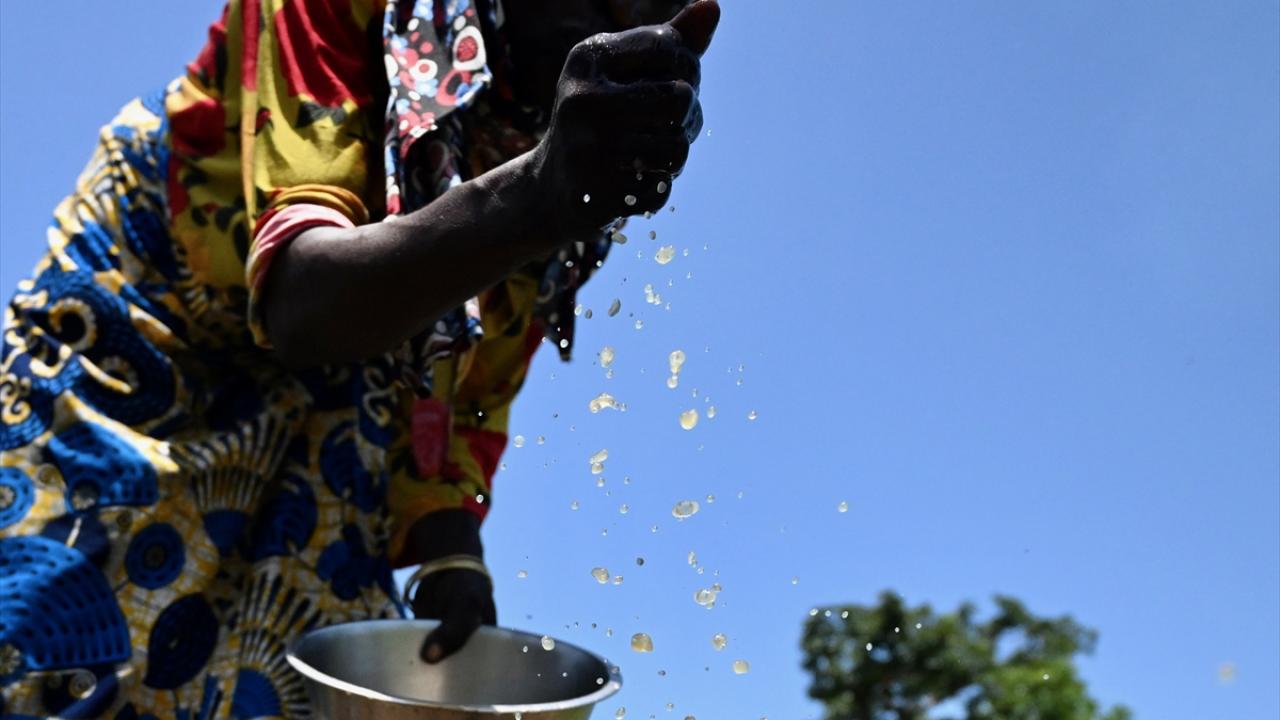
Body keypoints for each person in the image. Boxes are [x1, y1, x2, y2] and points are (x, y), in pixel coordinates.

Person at [0, 0, 719, 716]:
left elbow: (470, 384)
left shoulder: (564, 154)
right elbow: (302, 303)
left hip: (335, 423)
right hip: (139, 353)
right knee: (62, 648)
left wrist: (450, 546)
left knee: (292, 686)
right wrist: (535, 198)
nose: (630, 18)